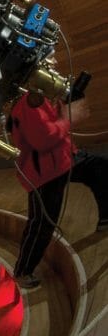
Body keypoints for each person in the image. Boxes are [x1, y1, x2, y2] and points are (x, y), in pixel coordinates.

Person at [9, 90, 108, 290]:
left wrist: (62, 110)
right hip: (45, 172)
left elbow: (48, 124)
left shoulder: (37, 97)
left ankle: (106, 218)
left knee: (100, 168)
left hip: (64, 158)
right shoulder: (29, 101)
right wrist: (68, 119)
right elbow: (43, 138)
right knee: (42, 223)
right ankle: (23, 270)